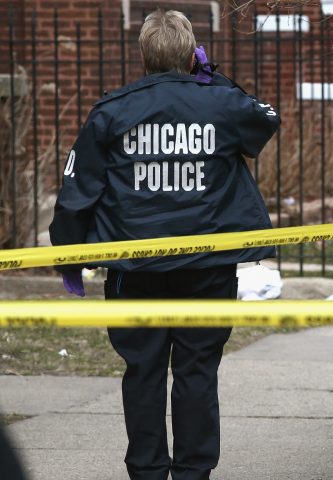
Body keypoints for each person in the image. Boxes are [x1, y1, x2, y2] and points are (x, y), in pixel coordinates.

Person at [49, 9, 280, 480]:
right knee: (197, 370)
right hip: (207, 265)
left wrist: (68, 253)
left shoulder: (111, 111)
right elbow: (266, 120)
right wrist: (214, 79)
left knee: (143, 371)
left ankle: (148, 472)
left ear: (143, 53)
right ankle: (193, 473)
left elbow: (78, 189)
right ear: (191, 51)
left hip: (135, 268)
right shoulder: (218, 103)